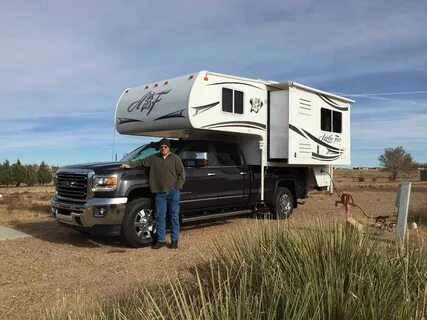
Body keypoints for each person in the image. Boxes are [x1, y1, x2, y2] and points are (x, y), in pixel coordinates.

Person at [121, 138, 185, 249]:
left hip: (173, 192)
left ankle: (174, 241)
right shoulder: (154, 158)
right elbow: (141, 161)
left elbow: (181, 174)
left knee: (174, 216)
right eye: (161, 147)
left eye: (165, 147)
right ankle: (160, 240)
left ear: (169, 148)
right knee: (160, 217)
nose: (163, 148)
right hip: (159, 192)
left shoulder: (176, 159)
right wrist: (129, 164)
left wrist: (177, 186)